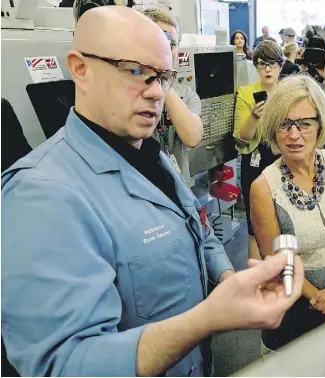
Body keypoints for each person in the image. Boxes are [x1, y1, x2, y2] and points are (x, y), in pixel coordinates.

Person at [0, 7, 304, 377]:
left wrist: (229, 280)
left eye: (163, 76)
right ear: (80, 68)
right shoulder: (40, 196)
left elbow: (200, 230)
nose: (157, 92)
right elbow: (61, 365)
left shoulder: (150, 156)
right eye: (136, 71)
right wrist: (205, 319)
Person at [250, 74, 325, 355]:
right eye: (284, 124)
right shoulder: (264, 188)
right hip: (291, 316)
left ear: (320, 123)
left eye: (304, 123)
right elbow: (280, 263)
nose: (293, 135)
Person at [233, 40, 284, 261]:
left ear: (281, 66)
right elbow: (242, 136)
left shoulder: (288, 94)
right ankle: (257, 279)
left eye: (272, 63)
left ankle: (282, 273)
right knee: (255, 226)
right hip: (255, 160)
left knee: (284, 221)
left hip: (284, 161)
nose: (267, 69)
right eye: (262, 64)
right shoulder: (246, 93)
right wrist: (253, 116)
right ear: (255, 66)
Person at [143, 8, 203, 187]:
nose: (167, 48)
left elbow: (192, 137)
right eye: (160, 39)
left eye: (172, 43)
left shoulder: (186, 94)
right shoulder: (129, 91)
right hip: (143, 188)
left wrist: (163, 79)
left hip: (179, 187)